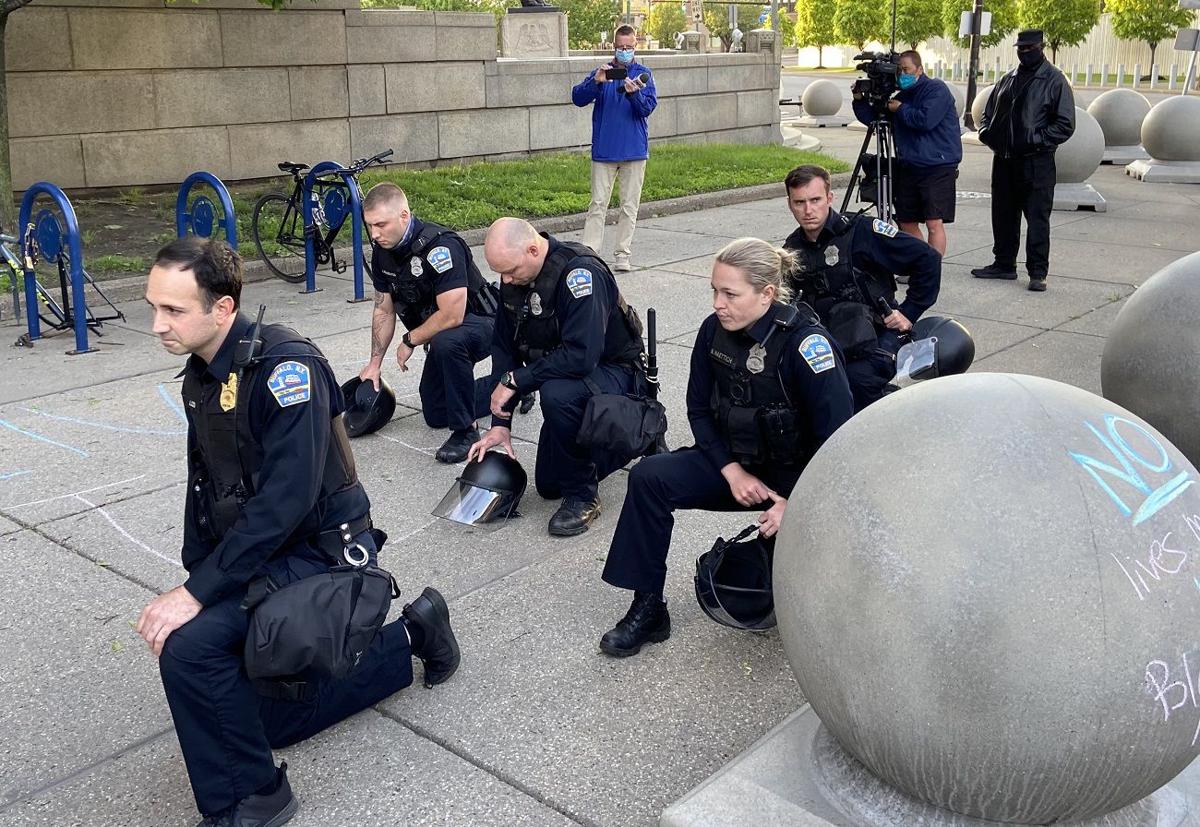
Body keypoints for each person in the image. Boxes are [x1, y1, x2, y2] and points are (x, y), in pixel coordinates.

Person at [138, 237, 460, 827]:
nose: (157, 324)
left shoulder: (286, 368)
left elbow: (285, 502)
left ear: (224, 308)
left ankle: (254, 798)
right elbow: (207, 483)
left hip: (320, 552)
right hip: (267, 552)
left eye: (173, 310)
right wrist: (199, 567)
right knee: (268, 718)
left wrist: (198, 593)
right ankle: (413, 636)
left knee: (191, 652)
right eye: (154, 307)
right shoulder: (206, 370)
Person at [598, 237, 855, 657]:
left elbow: (839, 443)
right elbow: (698, 411)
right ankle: (648, 609)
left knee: (783, 590)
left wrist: (795, 503)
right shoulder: (712, 330)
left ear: (767, 294)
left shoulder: (806, 346)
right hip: (737, 467)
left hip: (801, 480)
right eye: (715, 290)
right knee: (650, 478)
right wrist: (730, 471)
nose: (718, 302)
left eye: (730, 294)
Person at [468, 217, 645, 537]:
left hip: (617, 373)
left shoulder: (580, 274)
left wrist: (518, 381)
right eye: (500, 272)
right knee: (550, 486)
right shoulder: (515, 276)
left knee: (556, 393)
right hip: (568, 377)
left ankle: (584, 496)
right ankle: (598, 454)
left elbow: (581, 357)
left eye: (510, 271)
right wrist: (500, 425)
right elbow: (504, 347)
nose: (505, 279)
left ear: (533, 249)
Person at [358, 182, 499, 463]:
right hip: (445, 331)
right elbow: (384, 310)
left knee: (448, 341)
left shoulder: (441, 247)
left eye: (381, 225)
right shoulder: (382, 252)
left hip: (485, 322)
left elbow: (452, 315)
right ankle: (508, 390)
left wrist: (410, 340)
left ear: (404, 216)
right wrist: (374, 365)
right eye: (370, 225)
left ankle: (466, 432)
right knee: (435, 411)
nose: (374, 234)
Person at [782, 164, 940, 412]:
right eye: (799, 202)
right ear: (790, 203)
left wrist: (909, 312)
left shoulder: (863, 232)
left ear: (829, 198)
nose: (808, 210)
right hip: (828, 339)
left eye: (815, 200)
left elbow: (928, 258)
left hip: (876, 334)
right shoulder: (793, 248)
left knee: (858, 381)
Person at [973, 29, 1075, 292]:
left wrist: (1035, 139)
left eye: (1030, 48)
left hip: (1036, 161)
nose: (1024, 53)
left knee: (1037, 218)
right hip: (1005, 159)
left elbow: (1065, 124)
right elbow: (988, 112)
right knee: (1003, 214)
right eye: (1020, 48)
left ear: (1041, 47)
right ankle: (1004, 263)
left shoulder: (1055, 80)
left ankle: (1038, 271)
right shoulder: (1008, 79)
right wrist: (987, 133)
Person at [851, 49, 962, 257]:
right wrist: (859, 98)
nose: (902, 75)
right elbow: (874, 119)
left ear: (919, 69)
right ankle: (918, 263)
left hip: (937, 166)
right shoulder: (902, 96)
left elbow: (925, 120)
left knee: (933, 222)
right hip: (910, 165)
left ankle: (932, 269)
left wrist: (900, 109)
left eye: (906, 70)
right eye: (899, 71)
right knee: (906, 220)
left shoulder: (936, 90)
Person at [571, 24, 657, 273]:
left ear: (636, 46)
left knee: (629, 206)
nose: (625, 51)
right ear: (613, 46)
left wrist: (634, 94)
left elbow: (647, 108)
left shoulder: (644, 74)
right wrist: (595, 83)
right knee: (598, 204)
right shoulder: (603, 72)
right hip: (604, 150)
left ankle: (622, 254)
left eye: (629, 47)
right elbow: (577, 98)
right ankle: (590, 253)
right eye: (620, 47)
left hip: (634, 150)